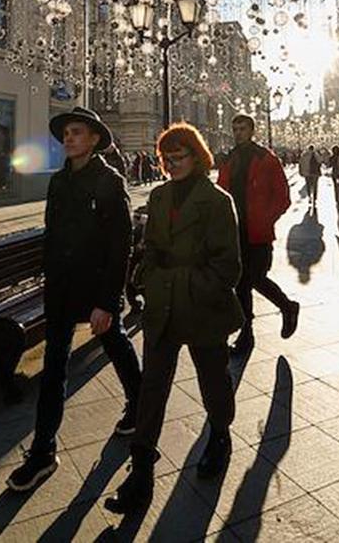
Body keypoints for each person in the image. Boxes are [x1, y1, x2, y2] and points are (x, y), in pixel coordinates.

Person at [106, 123, 242, 515]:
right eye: (166, 158)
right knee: (152, 389)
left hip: (201, 305)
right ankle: (142, 471)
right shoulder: (161, 195)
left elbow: (227, 267)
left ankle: (219, 434)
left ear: (197, 156)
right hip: (162, 304)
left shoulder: (216, 201)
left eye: (179, 156)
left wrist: (189, 285)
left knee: (213, 378)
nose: (171, 163)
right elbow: (149, 247)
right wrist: (148, 277)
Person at [6, 107, 141, 492]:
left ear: (94, 138)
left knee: (116, 342)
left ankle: (138, 405)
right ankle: (43, 452)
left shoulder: (109, 182)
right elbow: (52, 232)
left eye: (76, 132)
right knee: (54, 367)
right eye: (66, 133)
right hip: (61, 290)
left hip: (95, 289)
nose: (68, 138)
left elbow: (121, 246)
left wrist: (109, 303)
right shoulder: (59, 182)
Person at [217, 114, 298, 355]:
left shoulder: (266, 158)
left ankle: (287, 306)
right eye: (235, 128)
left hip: (258, 233)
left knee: (255, 278)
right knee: (241, 285)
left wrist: (265, 218)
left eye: (242, 128)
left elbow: (283, 197)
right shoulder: (230, 158)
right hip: (235, 232)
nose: (238, 132)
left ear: (252, 130)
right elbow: (222, 190)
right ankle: (246, 334)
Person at [298, 144, 323, 209]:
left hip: (307, 173)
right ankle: (314, 198)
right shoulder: (316, 154)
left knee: (308, 185)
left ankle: (309, 196)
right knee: (315, 186)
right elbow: (320, 161)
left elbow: (300, 163)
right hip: (315, 173)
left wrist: (300, 171)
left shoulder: (304, 154)